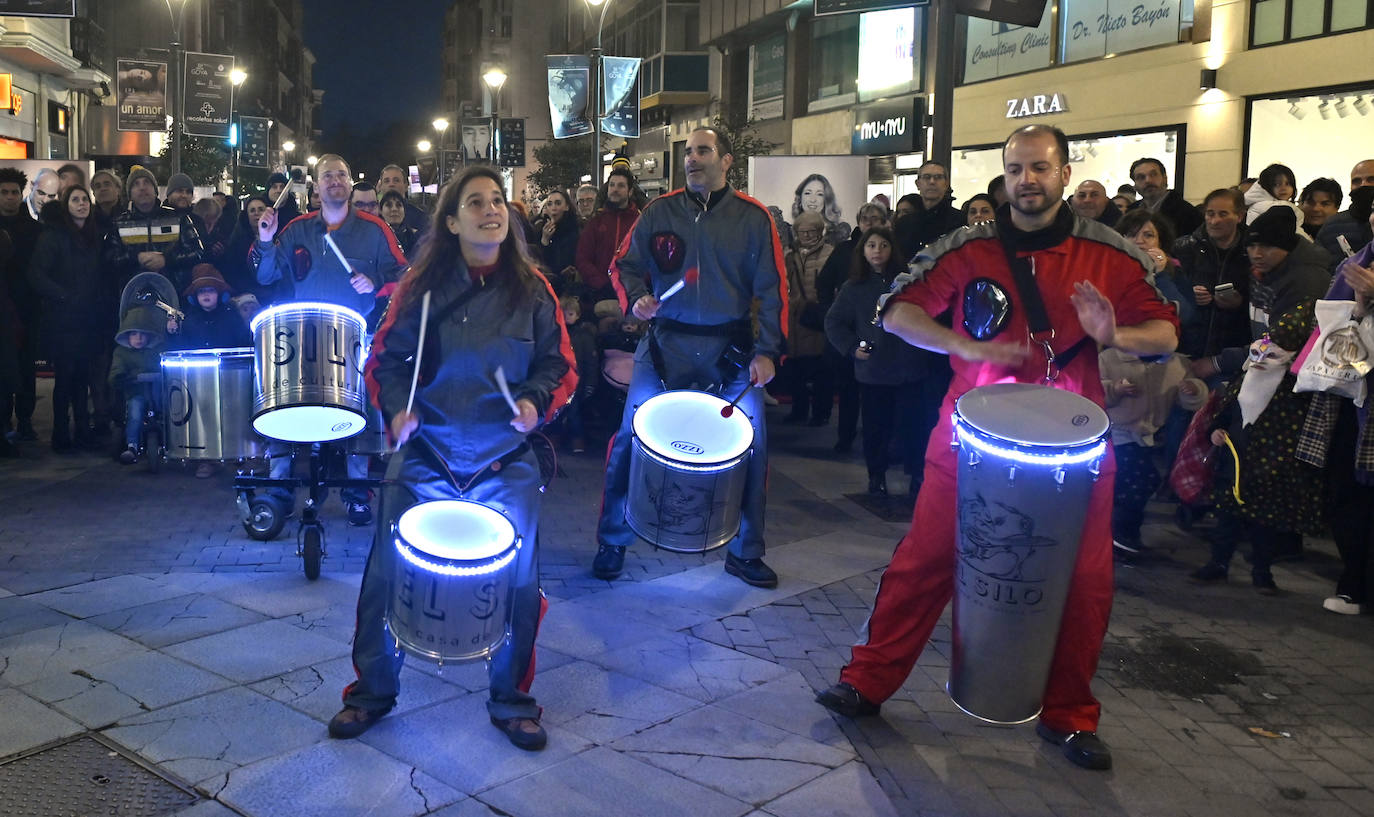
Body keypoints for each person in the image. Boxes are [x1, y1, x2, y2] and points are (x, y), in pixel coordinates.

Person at [816, 124, 1179, 773]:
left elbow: (1166, 335)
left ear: (1066, 173)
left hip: (1072, 452)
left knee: (1086, 581)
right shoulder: (968, 245)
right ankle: (867, 680)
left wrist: (1114, 331)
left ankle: (1069, 716)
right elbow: (898, 311)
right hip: (969, 440)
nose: (1027, 180)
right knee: (923, 559)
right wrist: (966, 345)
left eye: (1040, 168)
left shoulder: (1112, 254)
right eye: (1016, 168)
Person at [329, 164, 576, 749]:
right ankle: (371, 692)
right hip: (426, 452)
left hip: (503, 458)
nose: (492, 210)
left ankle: (512, 699)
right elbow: (383, 361)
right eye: (476, 202)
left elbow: (560, 367)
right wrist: (394, 411)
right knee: (383, 577)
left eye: (497, 201)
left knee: (518, 584)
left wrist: (535, 404)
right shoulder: (419, 288)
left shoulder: (533, 290)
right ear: (451, 218)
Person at [591, 126, 787, 587]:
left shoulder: (754, 218)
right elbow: (625, 265)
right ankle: (612, 539)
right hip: (663, 345)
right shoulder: (659, 212)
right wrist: (636, 298)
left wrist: (769, 351)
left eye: (703, 151)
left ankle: (745, 550)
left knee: (752, 445)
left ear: (726, 161)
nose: (693, 159)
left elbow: (773, 288)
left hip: (732, 348)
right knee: (628, 440)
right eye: (689, 152)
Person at [253, 153, 409, 526]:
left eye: (341, 174)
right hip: (302, 335)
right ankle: (280, 488)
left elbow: (404, 275)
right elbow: (265, 276)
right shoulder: (297, 229)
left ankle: (357, 492)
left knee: (356, 413)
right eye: (327, 176)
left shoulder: (374, 230)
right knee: (284, 407)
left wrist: (377, 284)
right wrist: (264, 239)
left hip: (354, 335)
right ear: (316, 186)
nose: (335, 180)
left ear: (350, 182)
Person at [1190, 309, 1320, 594]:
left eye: (1272, 355)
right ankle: (1218, 563)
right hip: (1233, 463)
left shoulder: (1294, 392)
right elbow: (1225, 411)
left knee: (1265, 526)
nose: (1261, 361)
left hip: (1270, 470)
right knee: (1227, 519)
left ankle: (1262, 572)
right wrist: (1215, 431)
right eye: (1258, 353)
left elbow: (1297, 429)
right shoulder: (1245, 378)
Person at [825, 226, 943, 497]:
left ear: (892, 249)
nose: (877, 251)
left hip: (909, 366)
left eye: (883, 245)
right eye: (871, 245)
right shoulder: (853, 288)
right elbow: (834, 321)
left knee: (914, 425)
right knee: (876, 428)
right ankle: (876, 475)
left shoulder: (909, 284)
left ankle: (916, 475)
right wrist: (852, 347)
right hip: (874, 370)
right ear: (863, 251)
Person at [28, 185, 110, 452]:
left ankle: (83, 430)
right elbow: (37, 275)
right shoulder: (53, 237)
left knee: (83, 377)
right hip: (63, 320)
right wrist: (63, 296)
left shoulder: (95, 235)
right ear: (66, 205)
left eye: (85, 199)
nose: (81, 204)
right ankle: (61, 433)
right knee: (65, 378)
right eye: (75, 200)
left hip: (88, 318)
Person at [816, 202, 889, 452]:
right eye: (865, 217)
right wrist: (833, 307)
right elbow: (824, 282)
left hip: (880, 341)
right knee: (848, 390)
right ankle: (845, 437)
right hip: (850, 333)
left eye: (875, 218)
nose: (870, 222)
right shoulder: (844, 250)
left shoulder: (891, 257)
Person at [106, 165, 205, 293]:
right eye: (136, 184)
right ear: (129, 194)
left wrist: (167, 260)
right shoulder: (119, 224)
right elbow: (109, 259)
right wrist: (136, 258)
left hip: (175, 296)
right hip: (132, 299)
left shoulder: (178, 218)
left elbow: (197, 252)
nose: (142, 187)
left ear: (155, 190)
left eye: (147, 182)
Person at [0, 167, 42, 442]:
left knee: (27, 366)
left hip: (27, 307)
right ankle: (4, 422)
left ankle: (25, 419)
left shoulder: (35, 230)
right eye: (4, 192)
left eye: (14, 192)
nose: (10, 197)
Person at [781, 212, 833, 425]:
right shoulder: (790, 255)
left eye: (812, 231)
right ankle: (799, 409)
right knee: (796, 369)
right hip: (795, 318)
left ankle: (821, 413)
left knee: (820, 369)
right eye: (803, 232)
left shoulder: (830, 253)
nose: (807, 236)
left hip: (817, 316)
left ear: (820, 231)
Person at [109, 304, 167, 465]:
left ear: (150, 335)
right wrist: (122, 377)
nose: (138, 338)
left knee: (168, 411)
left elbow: (164, 365)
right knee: (134, 414)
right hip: (136, 392)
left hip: (157, 392)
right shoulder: (121, 353)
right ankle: (132, 445)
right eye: (134, 334)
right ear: (127, 336)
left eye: (143, 334)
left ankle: (170, 442)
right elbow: (116, 371)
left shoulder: (157, 351)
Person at [574, 166, 640, 308]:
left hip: (633, 296)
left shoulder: (640, 223)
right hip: (598, 294)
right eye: (612, 185)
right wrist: (602, 283)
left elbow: (647, 259)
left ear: (630, 192)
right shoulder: (596, 222)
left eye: (621, 186)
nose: (615, 189)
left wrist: (633, 286)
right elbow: (582, 258)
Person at [894, 162, 965, 258]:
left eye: (938, 177)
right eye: (927, 177)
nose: (932, 181)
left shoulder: (961, 221)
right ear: (918, 184)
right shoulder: (904, 224)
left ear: (946, 184)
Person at [1315, 160, 1374, 268]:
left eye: (1371, 179)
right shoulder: (1332, 226)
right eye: (1356, 181)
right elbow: (1318, 269)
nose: (1363, 185)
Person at [1127, 158, 1202, 237]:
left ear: (1165, 178)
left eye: (1153, 174)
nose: (1148, 180)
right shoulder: (1130, 212)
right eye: (1141, 177)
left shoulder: (1187, 213)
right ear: (1135, 185)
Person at [533, 189, 580, 289]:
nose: (553, 208)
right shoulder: (540, 228)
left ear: (566, 207)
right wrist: (544, 240)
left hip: (568, 283)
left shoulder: (574, 229)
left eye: (558, 203)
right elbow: (539, 262)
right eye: (549, 204)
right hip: (547, 282)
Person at [790, 173, 850, 246]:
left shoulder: (839, 233)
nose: (812, 199)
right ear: (800, 198)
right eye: (808, 193)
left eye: (819, 194)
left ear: (826, 200)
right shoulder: (790, 233)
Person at [377, 163, 428, 234]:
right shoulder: (374, 217)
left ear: (406, 186)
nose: (391, 184)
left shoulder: (420, 218)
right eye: (386, 181)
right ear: (380, 187)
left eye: (396, 180)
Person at [378, 190, 420, 256]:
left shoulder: (416, 238)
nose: (394, 209)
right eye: (389, 205)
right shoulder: (374, 239)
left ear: (404, 211)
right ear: (380, 211)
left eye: (399, 205)